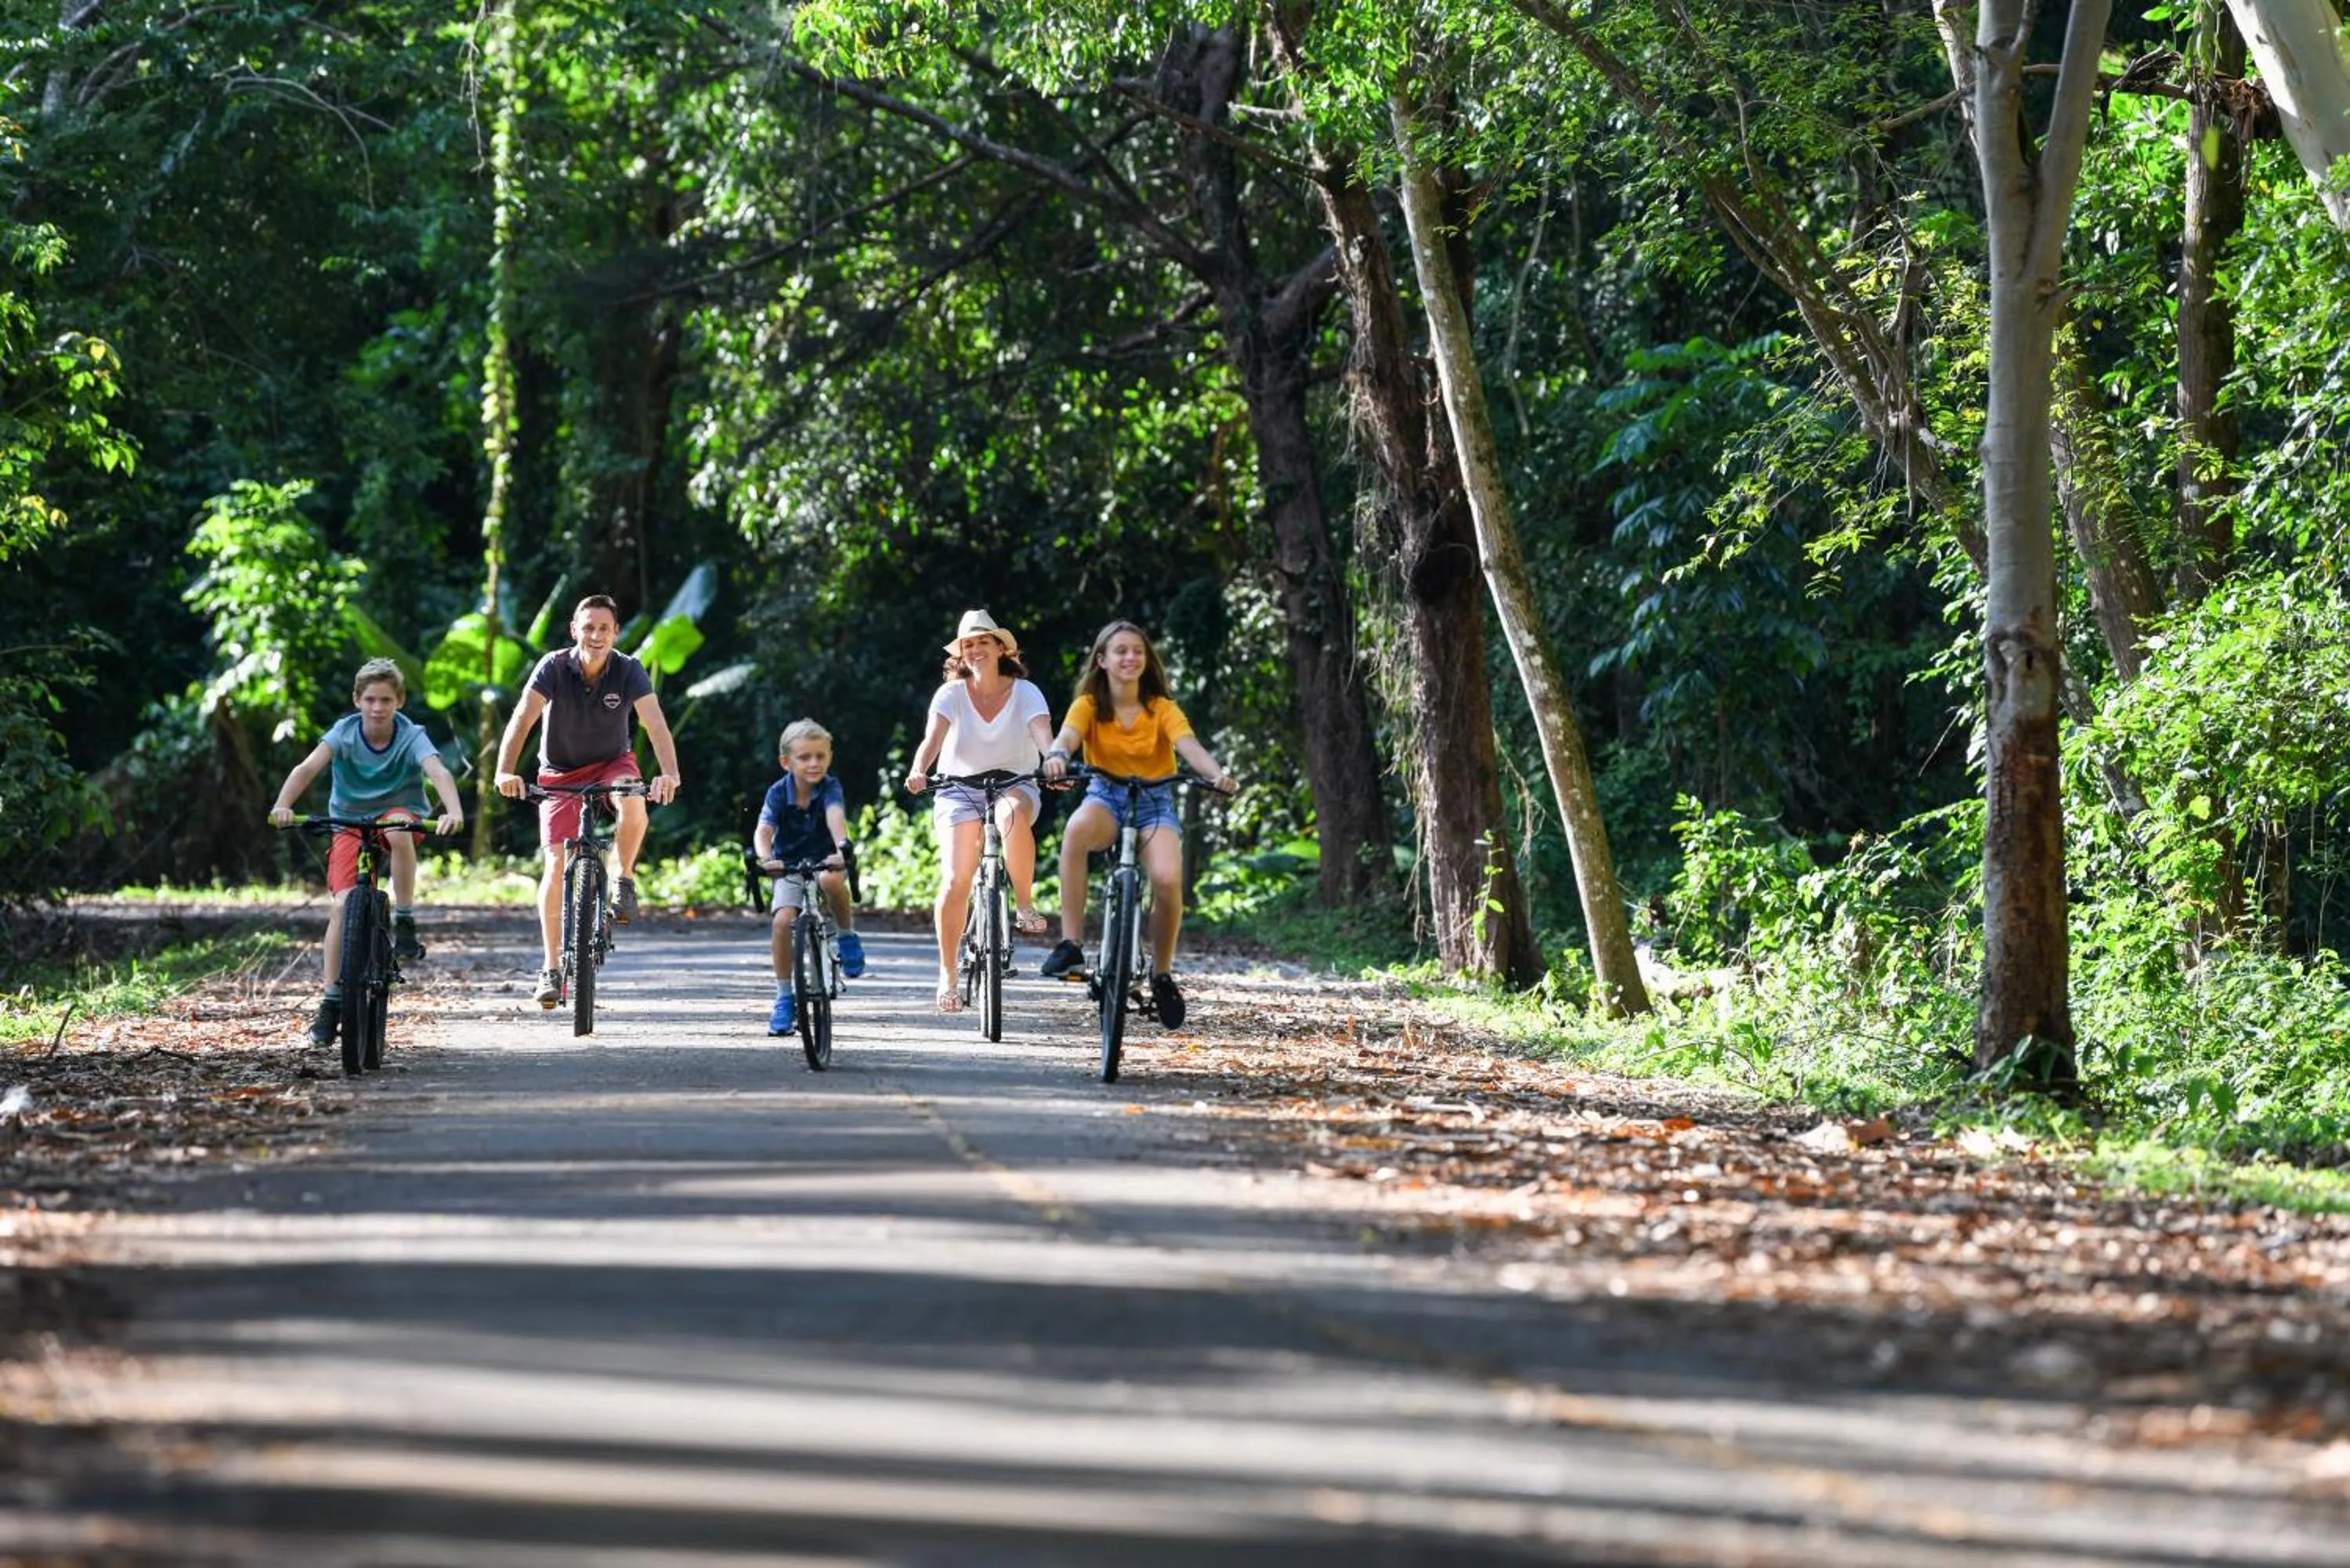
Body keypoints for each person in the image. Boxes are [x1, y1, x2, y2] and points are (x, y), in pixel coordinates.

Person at [1038, 620, 1236, 1029]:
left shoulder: (1162, 708)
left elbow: (1189, 747)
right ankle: (1071, 943)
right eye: (1121, 651)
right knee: (1075, 833)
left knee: (1167, 880)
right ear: (1102, 660)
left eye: (1138, 651)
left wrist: (1217, 775)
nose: (1130, 658)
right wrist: (1056, 756)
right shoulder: (1088, 705)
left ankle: (1161, 975)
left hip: (1154, 802)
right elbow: (1067, 738)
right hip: (1106, 797)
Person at [494, 593, 682, 1008]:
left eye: (604, 629)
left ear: (616, 633)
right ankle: (550, 968)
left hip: (612, 763)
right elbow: (522, 719)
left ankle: (624, 878)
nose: (596, 635)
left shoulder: (629, 669)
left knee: (632, 799)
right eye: (589, 627)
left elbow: (655, 725)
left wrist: (670, 773)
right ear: (574, 630)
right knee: (555, 863)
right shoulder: (552, 667)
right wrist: (505, 771)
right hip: (559, 772)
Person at [268, 657, 465, 1045]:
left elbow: (438, 771)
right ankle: (331, 1000)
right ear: (357, 700)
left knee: (397, 829)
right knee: (342, 906)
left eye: (386, 700)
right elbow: (306, 769)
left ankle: (404, 918)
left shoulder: (410, 734)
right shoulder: (343, 733)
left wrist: (453, 811)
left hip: (398, 815)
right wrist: (282, 805)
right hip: (349, 822)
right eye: (370, 699)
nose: (378, 708)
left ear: (399, 702)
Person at [903, 609, 1056, 1013]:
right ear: (961, 653)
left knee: (1011, 815)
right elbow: (931, 741)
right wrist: (919, 770)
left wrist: (1056, 763)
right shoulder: (951, 695)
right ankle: (948, 975)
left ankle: (1024, 904)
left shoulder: (1027, 692)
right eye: (967, 644)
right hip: (958, 789)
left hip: (1015, 783)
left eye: (983, 642)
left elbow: (1044, 736)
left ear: (1000, 647)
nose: (975, 650)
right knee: (956, 880)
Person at [753, 717, 866, 1036]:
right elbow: (764, 830)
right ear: (786, 762)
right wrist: (766, 859)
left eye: (820, 756)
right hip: (788, 864)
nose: (813, 763)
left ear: (829, 757)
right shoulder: (778, 793)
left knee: (831, 881)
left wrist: (841, 849)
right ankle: (784, 998)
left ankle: (846, 934)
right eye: (804, 757)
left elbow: (835, 818)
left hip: (825, 859)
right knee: (781, 922)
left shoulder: (830, 787)